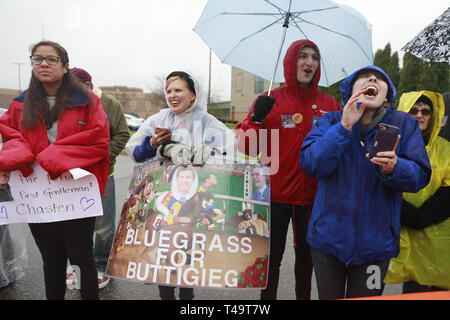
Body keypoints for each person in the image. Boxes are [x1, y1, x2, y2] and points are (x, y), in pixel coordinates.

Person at [300, 66, 431, 299]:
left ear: (387, 95)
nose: (373, 79)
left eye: (381, 79)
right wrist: (344, 128)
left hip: (376, 246)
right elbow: (312, 164)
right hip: (327, 241)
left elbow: (420, 174)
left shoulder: (404, 124)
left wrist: (395, 168)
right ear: (351, 90)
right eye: (365, 76)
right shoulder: (330, 121)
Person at [0, 40, 110, 300]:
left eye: (51, 59)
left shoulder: (88, 101)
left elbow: (98, 141)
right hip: (38, 195)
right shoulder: (19, 104)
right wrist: (11, 160)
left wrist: (54, 157)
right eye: (37, 59)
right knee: (51, 258)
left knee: (82, 257)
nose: (43, 64)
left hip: (75, 193)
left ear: (65, 67)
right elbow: (10, 135)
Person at [236, 39, 342, 300]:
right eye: (303, 57)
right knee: (271, 262)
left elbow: (341, 149)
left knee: (307, 263)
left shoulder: (330, 103)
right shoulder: (270, 99)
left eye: (315, 57)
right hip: (275, 196)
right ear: (290, 62)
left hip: (315, 198)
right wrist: (255, 120)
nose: (309, 63)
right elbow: (248, 148)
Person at [126, 70, 236, 300]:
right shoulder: (158, 119)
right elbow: (135, 153)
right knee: (163, 256)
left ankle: (188, 296)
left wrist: (212, 152)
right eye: (168, 91)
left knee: (186, 257)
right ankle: (165, 294)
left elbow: (231, 149)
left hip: (192, 199)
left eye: (178, 90)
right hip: (165, 197)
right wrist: (153, 144)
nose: (172, 95)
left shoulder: (206, 122)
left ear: (193, 95)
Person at [70, 67, 130, 289]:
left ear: (88, 86)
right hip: (72, 177)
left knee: (103, 226)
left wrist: (105, 156)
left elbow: (123, 133)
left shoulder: (109, 103)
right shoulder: (64, 104)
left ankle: (101, 266)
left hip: (103, 174)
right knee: (74, 225)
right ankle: (78, 266)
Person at [384, 91, 450, 293]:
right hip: (401, 233)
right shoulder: (389, 144)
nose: (420, 115)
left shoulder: (445, 149)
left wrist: (424, 216)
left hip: (437, 239)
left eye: (425, 111)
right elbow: (379, 182)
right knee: (412, 291)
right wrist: (410, 215)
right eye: (413, 110)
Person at [0, 169, 27, 289]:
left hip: (5, 229)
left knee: (8, 247)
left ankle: (7, 273)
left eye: (6, 171)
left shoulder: (9, 188)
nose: (4, 173)